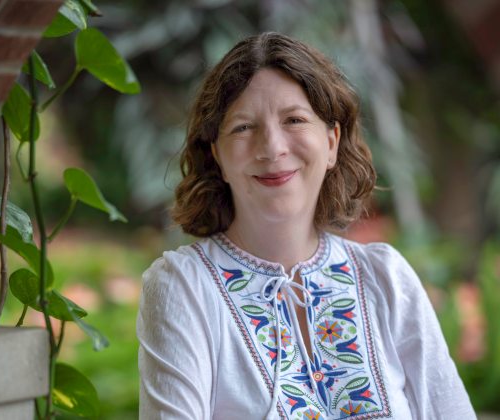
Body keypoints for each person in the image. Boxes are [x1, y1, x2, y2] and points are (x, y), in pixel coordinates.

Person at [137, 32, 476, 419]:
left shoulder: (386, 279)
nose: (273, 147)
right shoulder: (183, 286)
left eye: (294, 120)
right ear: (217, 156)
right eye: (243, 127)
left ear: (331, 142)